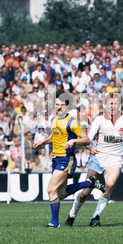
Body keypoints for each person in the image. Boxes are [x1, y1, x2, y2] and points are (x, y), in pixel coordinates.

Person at [65, 93, 123, 227]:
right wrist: (90, 147)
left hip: (115, 159)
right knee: (85, 192)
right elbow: (87, 138)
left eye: (115, 103)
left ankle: (96, 217)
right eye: (110, 103)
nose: (113, 106)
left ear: (120, 104)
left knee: (110, 184)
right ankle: (71, 215)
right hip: (98, 158)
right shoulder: (99, 120)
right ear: (106, 104)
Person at [33, 90, 103, 228]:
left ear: (67, 106)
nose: (58, 107)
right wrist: (43, 142)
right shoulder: (54, 119)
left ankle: (54, 223)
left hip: (66, 159)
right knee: (61, 194)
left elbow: (86, 139)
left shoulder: (71, 122)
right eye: (56, 104)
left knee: (51, 189)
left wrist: (74, 142)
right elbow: (54, 136)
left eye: (61, 105)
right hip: (56, 159)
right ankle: (89, 183)